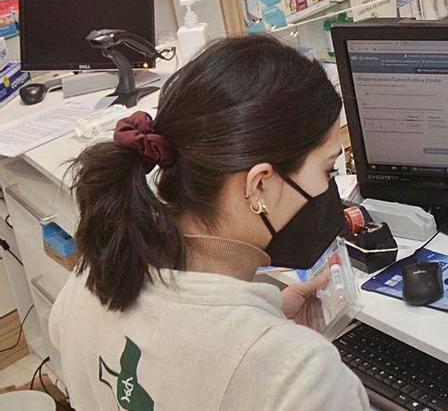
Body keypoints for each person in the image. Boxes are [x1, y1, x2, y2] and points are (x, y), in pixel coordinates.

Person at [49, 36, 370, 410]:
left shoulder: (96, 269)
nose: (331, 189)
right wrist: (271, 346)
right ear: (259, 185)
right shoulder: (301, 373)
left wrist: (264, 323)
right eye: (328, 170)